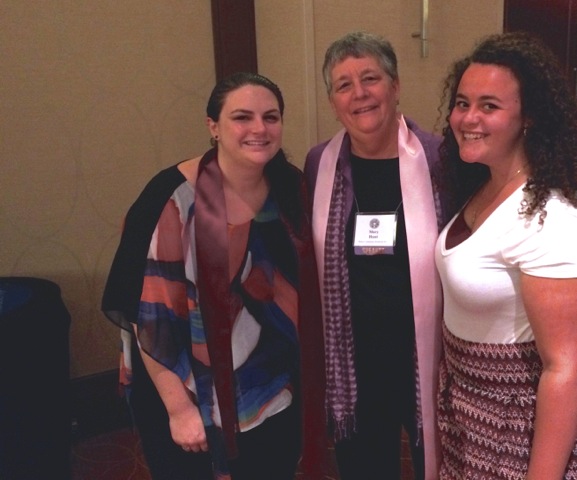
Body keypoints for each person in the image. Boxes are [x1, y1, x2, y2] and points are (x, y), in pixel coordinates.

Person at [101, 72, 327, 480]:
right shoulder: (170, 199)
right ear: (213, 127)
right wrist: (178, 408)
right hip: (188, 394)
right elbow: (146, 316)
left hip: (274, 392)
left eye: (271, 117)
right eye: (243, 117)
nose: (259, 128)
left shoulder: (292, 188)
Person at [304, 31, 449, 479]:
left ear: (396, 86)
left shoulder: (442, 158)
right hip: (354, 358)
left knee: (442, 465)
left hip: (429, 354)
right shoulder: (318, 165)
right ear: (333, 102)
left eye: (370, 78)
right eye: (344, 85)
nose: (359, 93)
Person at [435, 31, 577, 479]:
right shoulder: (485, 185)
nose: (468, 118)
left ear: (528, 117)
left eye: (489, 106)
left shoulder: (549, 218)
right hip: (467, 415)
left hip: (514, 433)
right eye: (462, 102)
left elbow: (566, 368)